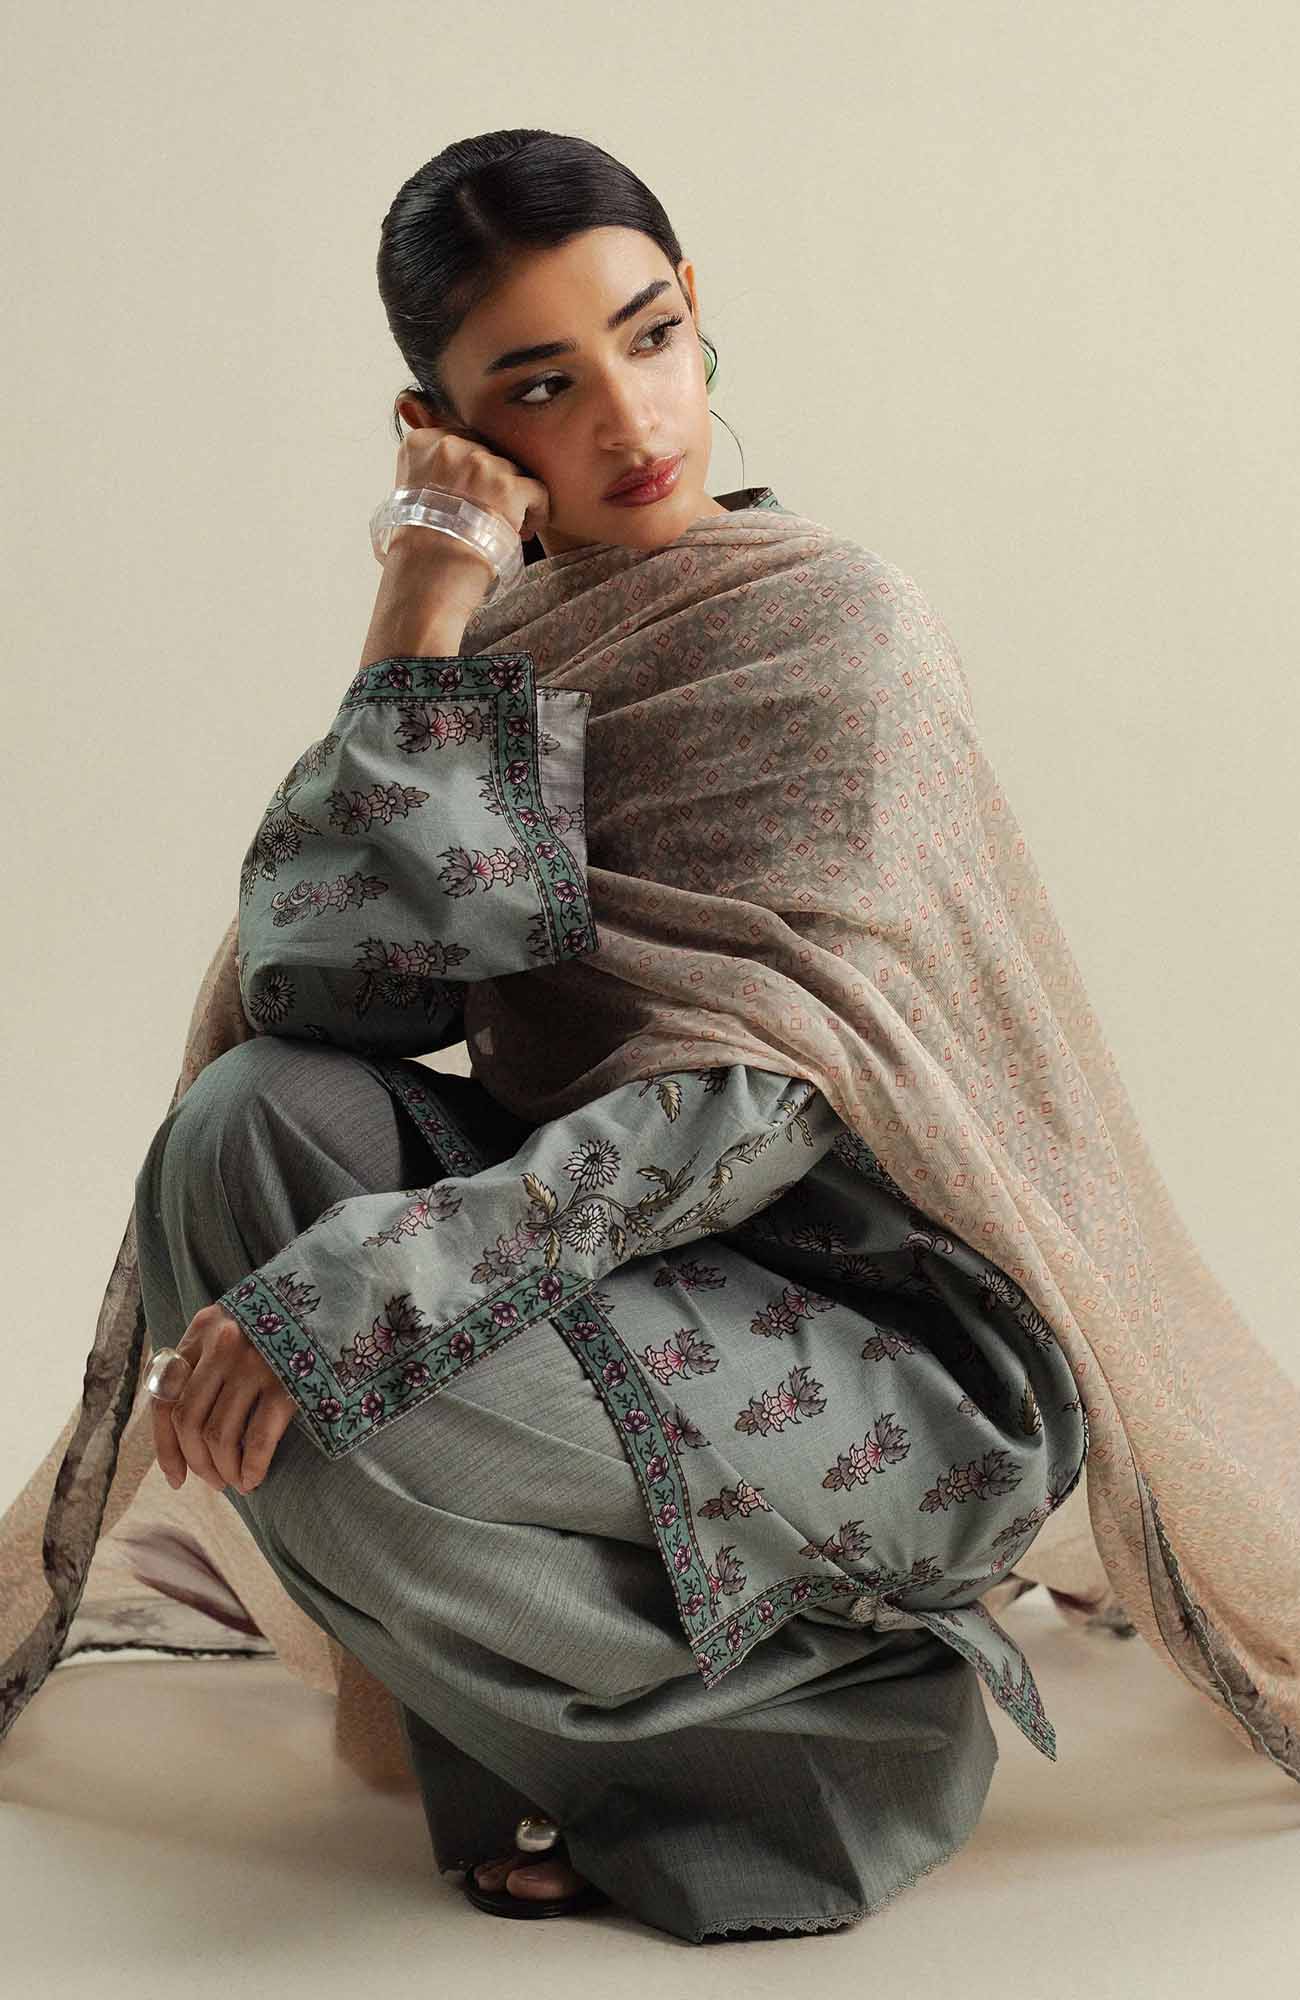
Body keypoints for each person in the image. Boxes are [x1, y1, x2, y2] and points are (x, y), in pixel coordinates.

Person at [5, 127, 1297, 1948]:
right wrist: (424, 606)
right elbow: (335, 1009)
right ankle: (643, 1723)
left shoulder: (832, 629)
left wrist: (367, 1292)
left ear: (699, 310)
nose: (631, 419)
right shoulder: (512, 646)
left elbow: (751, 1108)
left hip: (880, 1346)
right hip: (590, 1277)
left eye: (651, 337)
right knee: (238, 1139)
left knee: (324, 1371)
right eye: (542, 386)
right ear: (440, 429)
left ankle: (829, 1742)